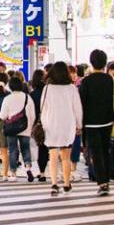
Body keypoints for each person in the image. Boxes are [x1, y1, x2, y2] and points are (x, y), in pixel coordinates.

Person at [79, 49, 114, 196]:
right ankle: (106, 180)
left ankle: (102, 182)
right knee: (106, 150)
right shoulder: (110, 79)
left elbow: (82, 103)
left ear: (92, 62)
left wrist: (80, 123)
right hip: (107, 121)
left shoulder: (86, 81)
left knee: (96, 153)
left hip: (91, 122)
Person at [42, 61, 83, 197]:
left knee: (53, 156)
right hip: (67, 125)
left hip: (51, 124)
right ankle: (66, 184)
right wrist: (79, 125)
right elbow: (77, 108)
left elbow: (43, 108)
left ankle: (54, 184)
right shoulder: (71, 88)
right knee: (66, 156)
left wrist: (43, 124)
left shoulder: (48, 88)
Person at [0, 75, 35, 182]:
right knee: (25, 148)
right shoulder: (27, 97)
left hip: (11, 128)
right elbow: (32, 115)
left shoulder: (7, 98)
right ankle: (28, 167)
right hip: (25, 127)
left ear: (10, 86)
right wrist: (30, 126)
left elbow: (2, 116)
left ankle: (13, 174)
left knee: (13, 150)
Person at [28, 69, 49, 181]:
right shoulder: (48, 92)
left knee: (40, 146)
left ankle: (42, 172)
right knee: (47, 148)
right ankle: (44, 172)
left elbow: (30, 112)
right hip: (49, 122)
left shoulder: (32, 95)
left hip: (37, 124)